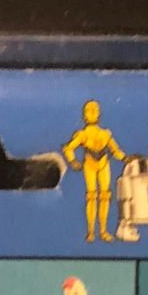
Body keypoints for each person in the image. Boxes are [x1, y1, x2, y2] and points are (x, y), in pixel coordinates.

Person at [62, 100, 126, 242]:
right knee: (91, 196)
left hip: (103, 164)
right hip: (89, 164)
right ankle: (91, 231)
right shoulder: (82, 134)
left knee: (105, 196)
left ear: (98, 114)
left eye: (94, 111)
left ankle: (103, 231)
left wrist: (126, 158)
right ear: (84, 115)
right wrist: (73, 161)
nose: (91, 113)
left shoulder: (105, 134)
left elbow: (115, 150)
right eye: (88, 111)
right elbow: (68, 148)